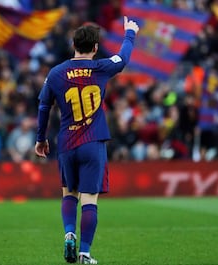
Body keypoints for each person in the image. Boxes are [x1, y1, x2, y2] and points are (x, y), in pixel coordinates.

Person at [34, 16, 139, 264]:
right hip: (93, 143)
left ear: (73, 44)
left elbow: (43, 106)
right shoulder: (101, 67)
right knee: (89, 200)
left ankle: (69, 232)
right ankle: (84, 253)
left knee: (69, 194)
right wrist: (130, 33)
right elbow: (123, 58)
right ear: (94, 47)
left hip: (67, 143)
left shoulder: (56, 73)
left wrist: (40, 138)